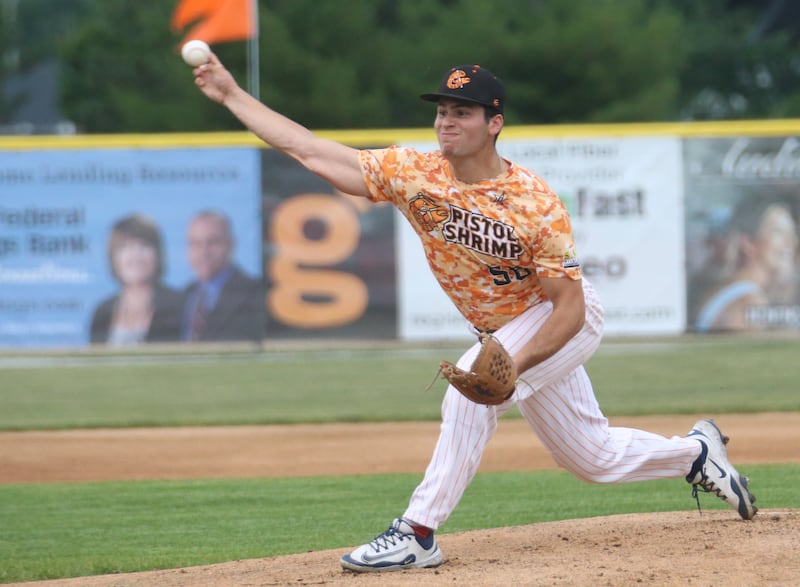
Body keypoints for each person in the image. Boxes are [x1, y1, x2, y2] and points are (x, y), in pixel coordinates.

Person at [191, 58, 758, 572]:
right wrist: (231, 95)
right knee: (592, 457)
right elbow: (313, 152)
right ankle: (696, 453)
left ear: (494, 123)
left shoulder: (534, 201)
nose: (446, 121)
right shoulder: (414, 174)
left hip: (560, 320)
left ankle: (417, 533)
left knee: (468, 392)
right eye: (442, 110)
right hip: (505, 331)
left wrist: (513, 363)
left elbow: (571, 306)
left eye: (462, 111)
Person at [694, 193, 799, 332]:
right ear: (748, 242)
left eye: (791, 233)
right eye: (777, 232)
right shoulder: (750, 300)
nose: (789, 242)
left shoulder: (734, 288)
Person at [90, 214, 183, 345]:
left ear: (157, 254)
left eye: (144, 246)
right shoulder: (102, 313)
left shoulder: (180, 306)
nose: (136, 255)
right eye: (125, 247)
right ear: (113, 257)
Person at [182, 209, 264, 342]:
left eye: (212, 242)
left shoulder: (254, 292)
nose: (204, 252)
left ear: (231, 245)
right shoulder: (184, 295)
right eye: (196, 243)